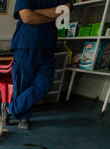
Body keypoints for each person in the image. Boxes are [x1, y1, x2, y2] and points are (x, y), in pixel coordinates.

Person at [6, 0, 72, 130]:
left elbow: (66, 10)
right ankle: (24, 117)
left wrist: (37, 14)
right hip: (26, 43)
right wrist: (52, 16)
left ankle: (10, 109)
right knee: (23, 83)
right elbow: (27, 17)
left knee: (45, 84)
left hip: (48, 45)